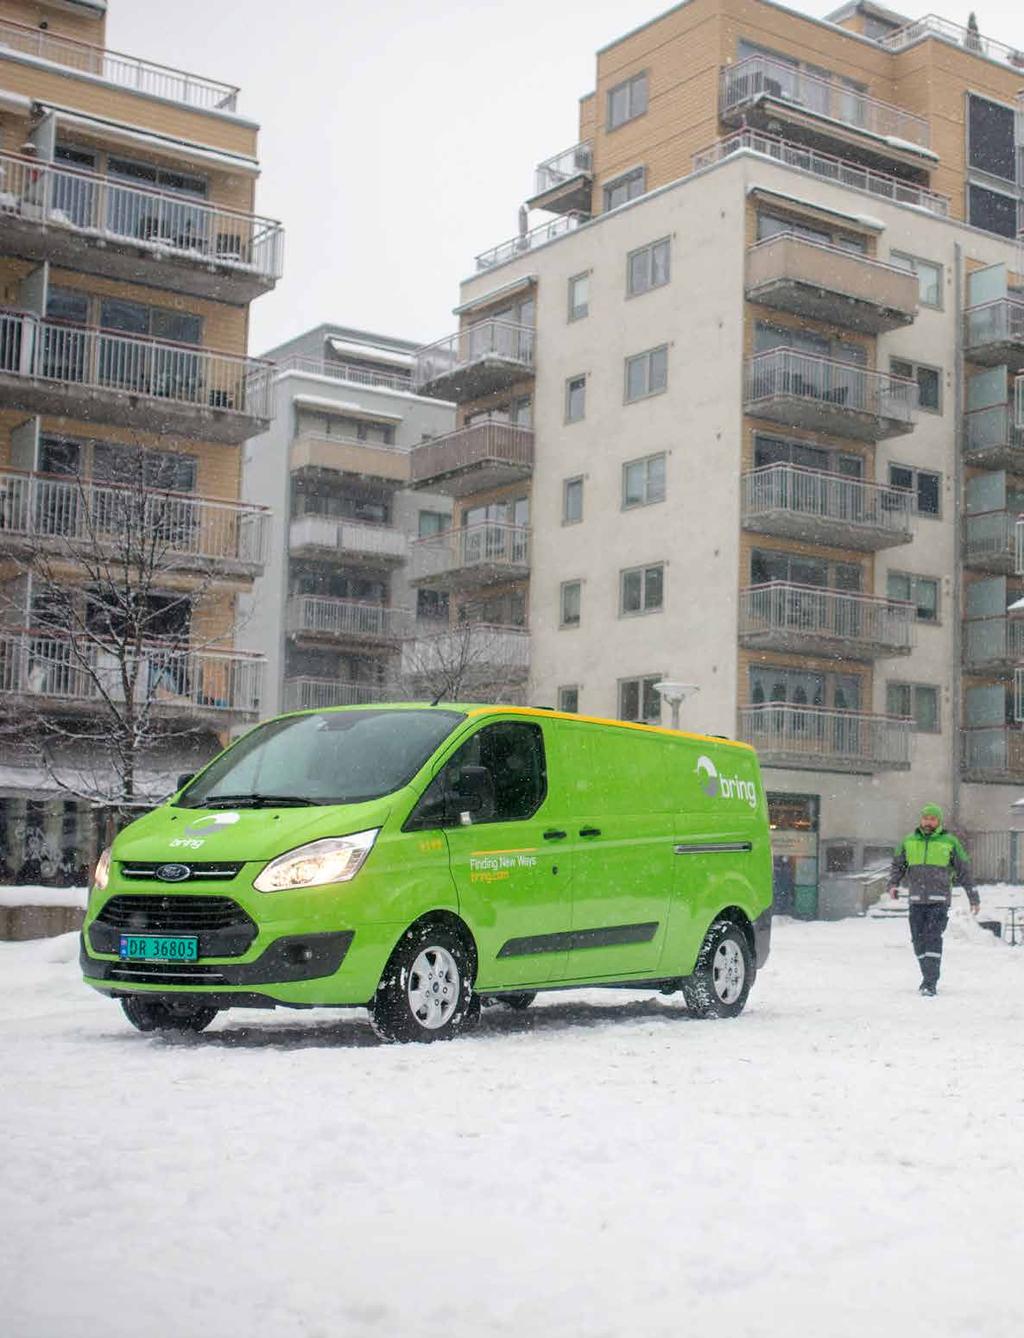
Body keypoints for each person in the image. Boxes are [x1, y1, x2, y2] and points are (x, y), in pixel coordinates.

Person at [888, 804, 979, 995]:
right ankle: (927, 977)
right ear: (921, 820)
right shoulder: (908, 841)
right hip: (916, 901)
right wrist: (892, 884)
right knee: (918, 942)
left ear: (938, 821)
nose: (928, 821)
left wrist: (973, 896)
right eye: (926, 818)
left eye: (933, 818)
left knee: (932, 938)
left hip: (939, 901)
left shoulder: (950, 842)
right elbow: (898, 865)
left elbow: (964, 871)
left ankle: (930, 982)